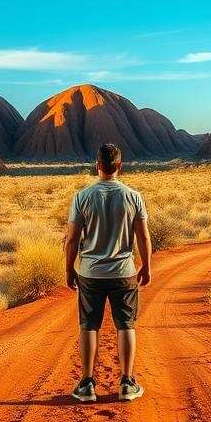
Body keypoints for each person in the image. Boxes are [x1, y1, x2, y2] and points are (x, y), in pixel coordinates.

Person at [65, 143, 152, 403]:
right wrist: (147, 265)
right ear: (119, 166)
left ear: (98, 166)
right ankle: (126, 383)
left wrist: (69, 269)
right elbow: (144, 236)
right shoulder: (133, 196)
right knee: (126, 325)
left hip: (90, 273)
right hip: (124, 272)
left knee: (88, 326)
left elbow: (71, 239)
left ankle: (87, 384)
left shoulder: (82, 197)